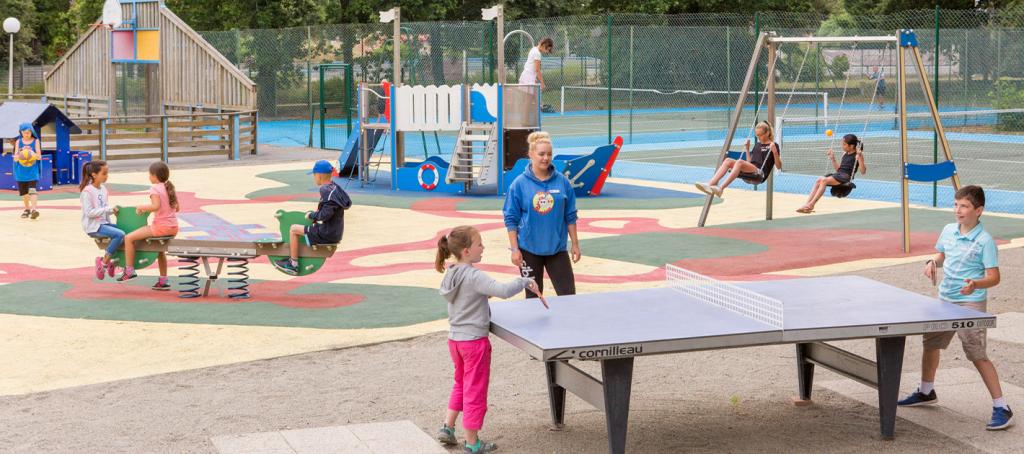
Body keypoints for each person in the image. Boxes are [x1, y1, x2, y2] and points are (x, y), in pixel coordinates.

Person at [897, 185, 1013, 431]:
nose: (957, 210)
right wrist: (932, 262)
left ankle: (1002, 406)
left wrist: (976, 284)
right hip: (945, 298)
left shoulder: (985, 241)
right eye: (956, 204)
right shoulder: (949, 230)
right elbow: (941, 255)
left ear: (978, 210)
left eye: (964, 206)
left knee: (976, 353)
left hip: (970, 302)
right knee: (931, 344)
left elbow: (994, 277)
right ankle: (926, 391)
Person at [435, 225, 541, 454]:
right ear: (466, 251)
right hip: (474, 343)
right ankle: (472, 442)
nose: (483, 247)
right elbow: (502, 290)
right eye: (479, 244)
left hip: (455, 340)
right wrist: (525, 280)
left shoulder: (451, 273)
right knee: (475, 390)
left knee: (461, 383)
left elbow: (471, 295)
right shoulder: (474, 275)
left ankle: (448, 427)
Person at [503, 131, 580, 298]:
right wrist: (515, 249)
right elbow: (511, 218)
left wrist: (574, 244)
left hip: (557, 249)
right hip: (528, 250)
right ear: (531, 154)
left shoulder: (562, 182)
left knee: (568, 295)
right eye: (541, 154)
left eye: (549, 154)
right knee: (533, 297)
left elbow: (571, 215)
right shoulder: (519, 184)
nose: (546, 158)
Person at [273, 160, 351, 275]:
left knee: (294, 229)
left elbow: (325, 215)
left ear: (319, 176)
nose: (314, 178)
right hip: (335, 232)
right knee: (307, 225)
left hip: (327, 233)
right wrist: (316, 215)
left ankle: (293, 264)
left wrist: (312, 215)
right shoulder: (334, 187)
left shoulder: (325, 189)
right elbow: (338, 205)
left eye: (314, 175)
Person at [119, 162, 179, 289]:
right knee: (160, 250)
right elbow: (177, 208)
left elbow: (155, 206)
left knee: (128, 238)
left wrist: (142, 207)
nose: (149, 177)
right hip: (173, 227)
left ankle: (129, 271)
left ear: (154, 176)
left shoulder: (155, 188)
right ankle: (163, 281)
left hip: (161, 227)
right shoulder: (169, 187)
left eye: (149, 174)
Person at [695, 121, 781, 199]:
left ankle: (721, 188)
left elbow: (778, 166)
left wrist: (775, 152)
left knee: (739, 162)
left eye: (761, 135)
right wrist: (747, 149)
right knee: (728, 160)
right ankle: (710, 184)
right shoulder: (757, 145)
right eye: (757, 135)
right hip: (752, 170)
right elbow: (749, 163)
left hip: (760, 174)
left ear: (767, 133)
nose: (759, 137)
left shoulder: (773, 145)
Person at [797, 133, 867, 213]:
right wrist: (833, 159)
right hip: (840, 174)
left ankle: (811, 205)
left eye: (844, 144)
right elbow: (839, 169)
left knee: (824, 180)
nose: (842, 146)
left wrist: (860, 159)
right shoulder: (844, 154)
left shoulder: (858, 155)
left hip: (846, 177)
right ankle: (807, 204)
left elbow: (863, 171)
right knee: (819, 180)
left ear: (851, 146)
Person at [80, 160, 125, 280]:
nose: (106, 176)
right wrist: (108, 209)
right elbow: (89, 213)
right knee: (119, 234)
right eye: (104, 173)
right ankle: (104, 262)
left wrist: (112, 211)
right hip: (94, 226)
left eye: (107, 173)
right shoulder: (87, 192)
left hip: (104, 223)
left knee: (126, 232)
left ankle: (113, 261)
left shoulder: (103, 189)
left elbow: (104, 209)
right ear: (94, 175)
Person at [12, 123, 42, 219]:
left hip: (32, 171)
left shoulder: (36, 141)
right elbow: (15, 158)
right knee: (24, 192)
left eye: (29, 132)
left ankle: (34, 210)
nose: (27, 134)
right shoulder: (18, 142)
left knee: (33, 190)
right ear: (21, 132)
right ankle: (27, 209)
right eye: (25, 133)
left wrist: (32, 153)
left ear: (32, 132)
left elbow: (39, 157)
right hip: (21, 171)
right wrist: (21, 152)